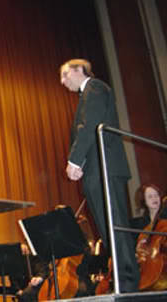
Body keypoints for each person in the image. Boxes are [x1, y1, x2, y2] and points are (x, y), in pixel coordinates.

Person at [60, 58, 140, 292]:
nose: (63, 82)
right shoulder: (88, 93)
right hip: (97, 169)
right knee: (108, 230)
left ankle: (127, 281)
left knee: (114, 226)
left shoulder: (94, 87)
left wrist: (74, 160)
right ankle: (123, 279)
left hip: (105, 168)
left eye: (65, 75)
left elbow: (89, 124)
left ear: (78, 70)